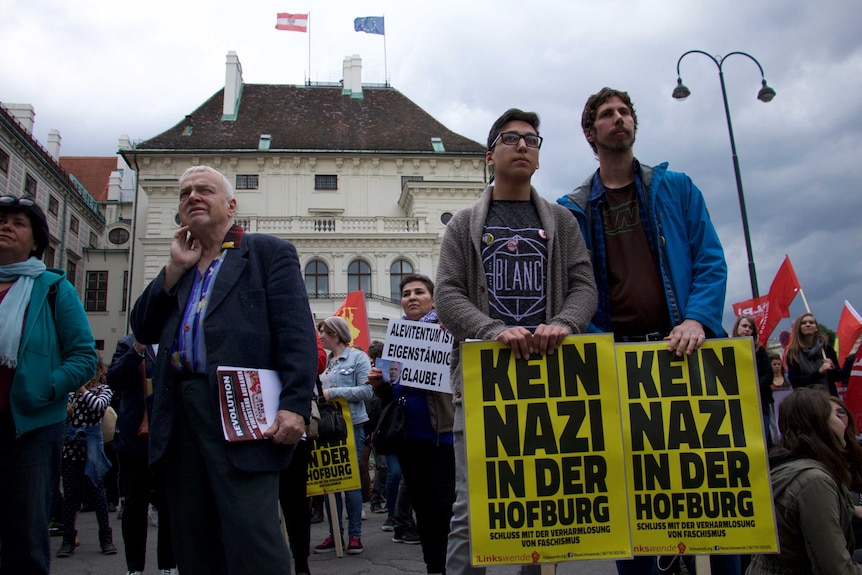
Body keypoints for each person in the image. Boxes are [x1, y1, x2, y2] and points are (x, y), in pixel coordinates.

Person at [556, 88, 732, 575]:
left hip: (686, 352)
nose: (619, 119)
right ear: (591, 134)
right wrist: (596, 343)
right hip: (618, 364)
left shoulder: (677, 188)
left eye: (625, 112)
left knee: (706, 488)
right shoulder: (571, 210)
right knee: (633, 491)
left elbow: (710, 260)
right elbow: (572, 289)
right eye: (607, 115)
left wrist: (697, 318)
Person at [130, 165, 318, 575]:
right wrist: (174, 269)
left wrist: (294, 406)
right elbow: (141, 327)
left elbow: (297, 334)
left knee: (252, 535)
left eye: (205, 190)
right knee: (192, 537)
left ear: (231, 206)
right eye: (185, 193)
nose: (192, 197)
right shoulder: (179, 266)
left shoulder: (267, 253)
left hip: (243, 413)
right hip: (180, 413)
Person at [435, 108, 598, 575]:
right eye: (510, 138)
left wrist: (564, 323)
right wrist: (491, 330)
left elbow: (584, 286)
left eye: (532, 140)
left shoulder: (563, 222)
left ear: (540, 157)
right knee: (472, 510)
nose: (523, 145)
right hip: (485, 380)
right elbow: (447, 294)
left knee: (543, 506)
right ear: (490, 156)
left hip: (549, 377)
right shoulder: (463, 224)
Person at [0, 195, 97, 575]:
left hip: (32, 427)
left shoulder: (54, 289)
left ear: (37, 241)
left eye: (18, 223)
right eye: (2, 219)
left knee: (25, 533)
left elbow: (84, 357)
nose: (6, 226)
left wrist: (45, 388)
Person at [747, 387, 862, 573]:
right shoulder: (814, 481)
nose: (844, 423)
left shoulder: (789, 465)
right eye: (836, 415)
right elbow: (836, 569)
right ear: (820, 423)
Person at [389, 273, 455, 572]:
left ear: (432, 298)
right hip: (408, 437)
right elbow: (397, 388)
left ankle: (450, 564)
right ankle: (434, 566)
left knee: (444, 508)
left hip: (440, 436)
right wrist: (381, 383)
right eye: (405, 294)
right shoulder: (398, 336)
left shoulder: (448, 331)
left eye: (418, 292)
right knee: (423, 509)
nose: (411, 297)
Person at [107, 334, 176, 575]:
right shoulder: (128, 344)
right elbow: (115, 380)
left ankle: (168, 564)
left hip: (169, 438)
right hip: (134, 439)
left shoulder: (176, 337)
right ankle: (134, 568)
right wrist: (136, 349)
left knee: (169, 505)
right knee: (135, 506)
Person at [313, 316, 372, 555]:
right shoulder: (324, 361)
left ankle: (355, 535)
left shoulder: (357, 357)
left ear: (335, 334)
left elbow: (367, 390)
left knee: (351, 484)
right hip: (328, 429)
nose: (321, 337)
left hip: (352, 425)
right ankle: (334, 534)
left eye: (324, 333)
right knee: (330, 482)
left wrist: (332, 393)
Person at [56, 358, 117, 558]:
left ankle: (105, 537)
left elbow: (99, 408)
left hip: (92, 448)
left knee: (98, 494)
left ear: (98, 371)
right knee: (71, 496)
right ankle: (68, 539)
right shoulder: (71, 391)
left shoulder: (103, 391)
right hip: (72, 446)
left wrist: (82, 391)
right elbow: (63, 414)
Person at [278, 328, 326, 575]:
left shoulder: (298, 314)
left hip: (294, 413)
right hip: (251, 411)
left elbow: (318, 360)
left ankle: (301, 564)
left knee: (295, 496)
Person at [732, 316, 774, 447]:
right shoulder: (728, 348)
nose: (747, 330)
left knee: (763, 437)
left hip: (760, 400)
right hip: (739, 401)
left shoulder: (759, 350)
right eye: (744, 326)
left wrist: (754, 387)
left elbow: (769, 374)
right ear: (737, 328)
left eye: (750, 328)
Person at [786, 312, 841, 396]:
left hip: (829, 397)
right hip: (807, 400)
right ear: (798, 328)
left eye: (811, 322)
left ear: (816, 328)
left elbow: (838, 377)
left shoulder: (826, 348)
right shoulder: (793, 353)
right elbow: (796, 383)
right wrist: (819, 373)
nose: (808, 325)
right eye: (803, 323)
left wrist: (833, 368)